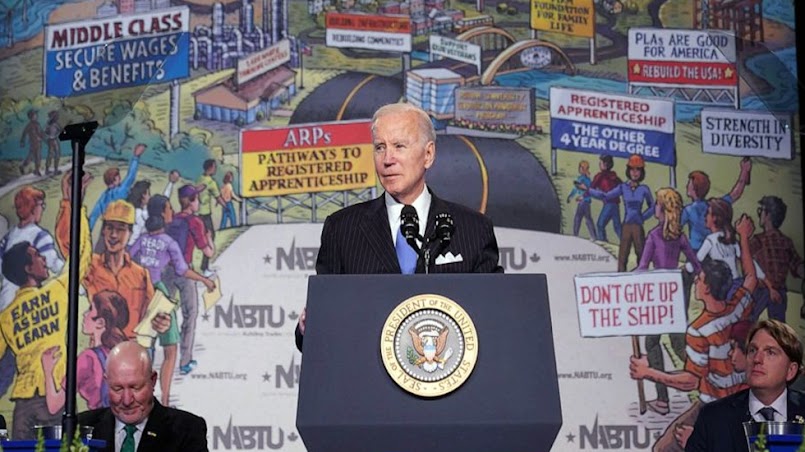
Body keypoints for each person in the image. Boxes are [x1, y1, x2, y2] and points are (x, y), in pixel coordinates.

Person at [296, 102, 503, 351]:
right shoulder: (342, 229)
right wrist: (309, 327)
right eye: (380, 147)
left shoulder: (473, 229)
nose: (387, 159)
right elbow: (319, 335)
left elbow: (494, 322)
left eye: (399, 146)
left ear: (428, 155)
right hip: (366, 382)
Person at [629, 214, 758, 451]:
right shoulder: (737, 308)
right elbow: (751, 277)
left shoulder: (699, 331)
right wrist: (744, 237)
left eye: (699, 279)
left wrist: (649, 372)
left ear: (707, 288)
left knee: (663, 449)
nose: (695, 282)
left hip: (715, 407)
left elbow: (691, 381)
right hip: (741, 402)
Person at [0, 170, 92, 439]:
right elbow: (82, 255)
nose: (43, 260)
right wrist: (73, 203)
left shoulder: (6, 317)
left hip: (22, 406)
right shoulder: (56, 291)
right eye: (38, 257)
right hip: (54, 402)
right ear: (29, 268)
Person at [130, 196, 216, 404]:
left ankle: (145, 397)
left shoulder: (141, 240)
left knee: (145, 345)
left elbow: (128, 258)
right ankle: (165, 400)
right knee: (170, 347)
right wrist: (204, 279)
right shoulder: (168, 242)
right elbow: (183, 269)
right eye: (168, 208)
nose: (172, 210)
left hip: (140, 292)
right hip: (158, 294)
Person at [685, 319, 805, 452]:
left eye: (770, 352)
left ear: (791, 370)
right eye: (753, 350)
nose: (757, 359)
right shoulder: (713, 418)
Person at [636, 187, 701, 416]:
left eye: (656, 204)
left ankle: (663, 399)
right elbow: (695, 263)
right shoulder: (679, 236)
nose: (654, 208)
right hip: (675, 293)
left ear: (662, 210)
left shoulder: (654, 235)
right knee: (677, 343)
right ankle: (704, 381)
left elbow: (643, 266)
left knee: (652, 343)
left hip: (658, 294)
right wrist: (685, 276)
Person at [78, 341, 209, 452]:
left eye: (135, 387)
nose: (127, 400)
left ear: (153, 380)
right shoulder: (80, 427)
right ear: (106, 382)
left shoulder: (187, 430)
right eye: (117, 389)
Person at [41, 290, 131, 413]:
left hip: (99, 423)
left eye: (90, 309)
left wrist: (47, 370)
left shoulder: (87, 358)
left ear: (100, 322)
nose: (84, 314)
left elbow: (54, 406)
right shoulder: (125, 352)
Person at [163, 185, 215, 374]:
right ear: (192, 201)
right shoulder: (196, 222)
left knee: (162, 312)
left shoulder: (171, 219)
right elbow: (208, 251)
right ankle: (185, 361)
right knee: (189, 315)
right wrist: (209, 239)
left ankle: (154, 354)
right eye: (197, 199)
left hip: (167, 271)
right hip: (185, 272)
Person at [583, 154, 654, 272]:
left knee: (641, 257)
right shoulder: (623, 187)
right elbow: (606, 196)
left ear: (641, 172)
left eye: (638, 170)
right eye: (632, 169)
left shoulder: (644, 189)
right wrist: (589, 190)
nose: (635, 173)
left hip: (638, 226)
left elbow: (652, 206)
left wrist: (643, 217)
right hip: (626, 225)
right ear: (628, 171)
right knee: (622, 258)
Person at [749, 196, 804, 322]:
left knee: (748, 322)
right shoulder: (786, 242)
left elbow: (747, 265)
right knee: (778, 328)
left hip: (762, 291)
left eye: (761, 211)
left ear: (768, 215)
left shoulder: (757, 241)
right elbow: (797, 266)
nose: (759, 215)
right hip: (778, 292)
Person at [89, 143, 147, 232]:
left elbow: (94, 215)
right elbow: (131, 176)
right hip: (121, 223)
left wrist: (88, 231)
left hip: (107, 226)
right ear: (113, 181)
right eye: (118, 177)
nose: (120, 179)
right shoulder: (121, 190)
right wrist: (136, 157)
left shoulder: (104, 196)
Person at [196, 159, 224, 274]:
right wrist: (226, 206)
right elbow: (218, 197)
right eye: (215, 167)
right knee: (209, 238)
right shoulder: (211, 182)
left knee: (204, 238)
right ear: (211, 167)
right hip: (205, 215)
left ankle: (204, 265)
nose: (216, 169)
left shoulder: (199, 178)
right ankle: (204, 267)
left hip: (198, 213)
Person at [589, 155, 622, 242]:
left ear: (606, 164)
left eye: (601, 163)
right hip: (615, 204)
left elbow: (591, 188)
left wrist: (586, 193)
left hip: (609, 204)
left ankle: (603, 242)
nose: (599, 164)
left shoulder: (600, 176)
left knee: (600, 224)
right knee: (617, 227)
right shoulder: (614, 176)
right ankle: (627, 244)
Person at [566, 160, 596, 240]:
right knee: (582, 218)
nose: (581, 169)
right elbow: (575, 189)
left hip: (584, 202)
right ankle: (580, 235)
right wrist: (570, 196)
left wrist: (581, 197)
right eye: (580, 167)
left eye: (582, 168)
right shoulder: (581, 178)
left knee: (583, 218)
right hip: (583, 202)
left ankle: (590, 235)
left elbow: (588, 191)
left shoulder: (586, 180)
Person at [20, 109, 44, 176]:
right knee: (31, 157)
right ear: (31, 117)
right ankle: (23, 166)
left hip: (39, 143)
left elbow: (41, 133)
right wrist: (22, 141)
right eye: (34, 115)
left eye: (36, 115)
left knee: (38, 157)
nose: (36, 116)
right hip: (33, 143)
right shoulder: (29, 125)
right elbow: (24, 133)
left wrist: (43, 137)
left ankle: (37, 170)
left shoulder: (38, 124)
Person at [44, 110, 62, 175]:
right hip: (53, 140)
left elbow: (46, 131)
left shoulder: (49, 124)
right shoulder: (54, 124)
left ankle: (49, 170)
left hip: (51, 140)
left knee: (51, 155)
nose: (57, 117)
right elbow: (60, 130)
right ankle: (54, 170)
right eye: (56, 116)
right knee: (55, 154)